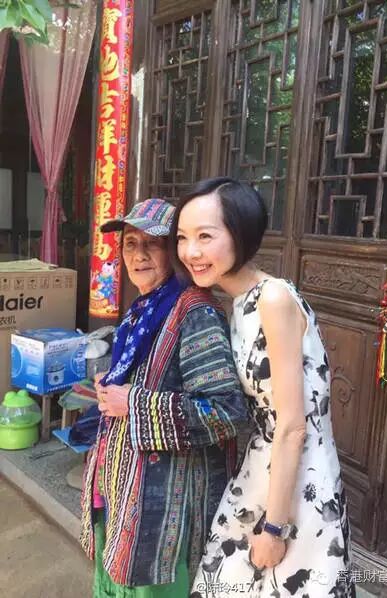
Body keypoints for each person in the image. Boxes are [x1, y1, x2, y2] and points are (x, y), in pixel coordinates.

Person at [170, 178, 356, 597]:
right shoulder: (238, 303)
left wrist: (274, 527)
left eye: (205, 236)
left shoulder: (273, 299)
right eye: (182, 238)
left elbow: (293, 425)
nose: (191, 251)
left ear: (240, 234)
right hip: (262, 470)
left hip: (297, 484)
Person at [80, 198, 248, 598]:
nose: (138, 255)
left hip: (162, 520)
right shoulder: (144, 308)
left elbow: (226, 411)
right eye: (130, 243)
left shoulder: (194, 312)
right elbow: (148, 378)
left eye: (151, 244)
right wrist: (114, 384)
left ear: (173, 251)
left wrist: (133, 403)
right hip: (123, 494)